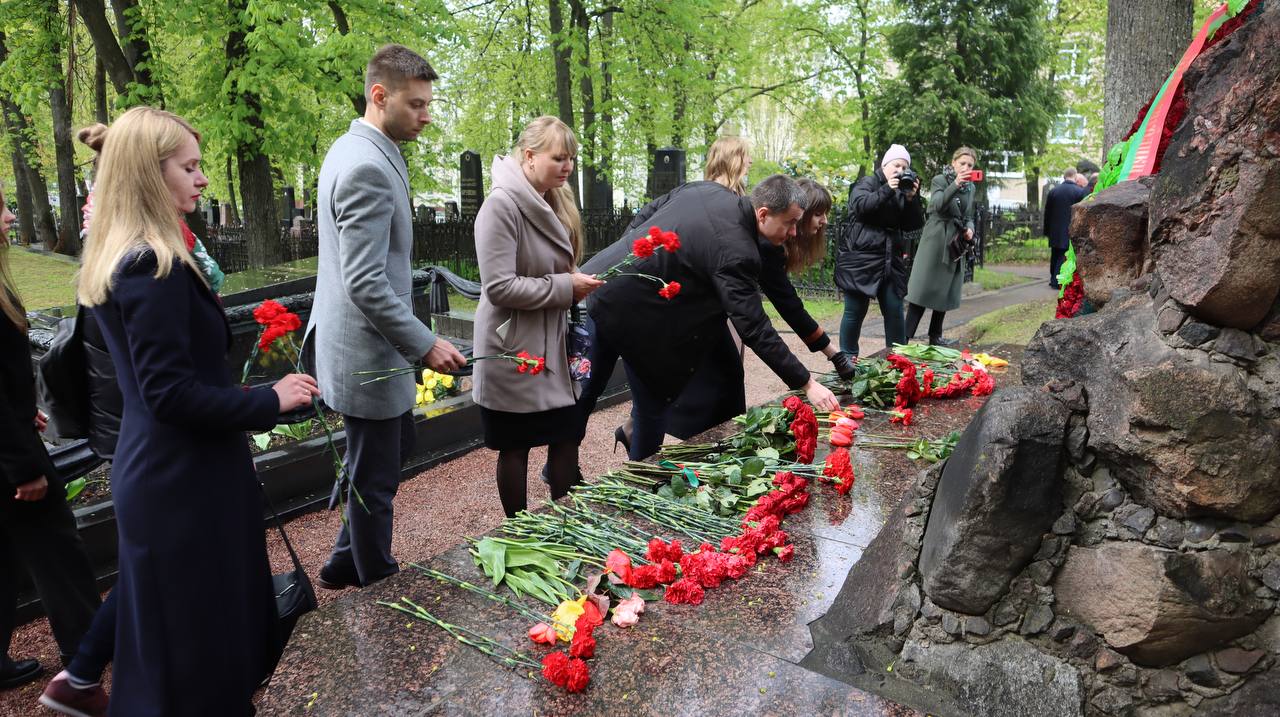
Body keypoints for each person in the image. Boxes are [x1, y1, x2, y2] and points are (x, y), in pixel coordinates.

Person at [76, 106, 320, 715]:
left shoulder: (129, 256)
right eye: (188, 167)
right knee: (194, 661)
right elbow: (168, 395)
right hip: (179, 482)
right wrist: (270, 398)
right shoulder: (149, 266)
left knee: (176, 652)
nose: (202, 179)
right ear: (146, 175)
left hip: (176, 474)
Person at [305, 44, 466, 590]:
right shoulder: (366, 167)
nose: (426, 115)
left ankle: (342, 562)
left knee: (391, 451)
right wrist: (425, 344)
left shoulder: (353, 148)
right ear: (380, 96)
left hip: (363, 347)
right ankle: (380, 587)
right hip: (365, 351)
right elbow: (366, 281)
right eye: (417, 104)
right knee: (375, 480)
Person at [578, 173, 840, 461]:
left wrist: (628, 253)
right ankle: (641, 482)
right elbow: (755, 328)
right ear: (763, 214)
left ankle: (562, 470)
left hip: (605, 285)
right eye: (790, 223)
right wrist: (807, 383)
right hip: (632, 310)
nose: (794, 232)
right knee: (649, 403)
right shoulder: (738, 251)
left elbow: (648, 212)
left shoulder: (707, 190)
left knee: (588, 395)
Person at [472, 116, 602, 518]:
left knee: (566, 436)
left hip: (552, 346)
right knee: (516, 447)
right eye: (559, 157)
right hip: (514, 349)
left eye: (572, 159)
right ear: (529, 156)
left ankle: (565, 527)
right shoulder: (501, 206)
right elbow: (499, 288)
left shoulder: (552, 200)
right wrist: (566, 288)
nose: (568, 167)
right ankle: (520, 533)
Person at [0, 185, 100, 694]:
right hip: (11, 461)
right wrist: (24, 466)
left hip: (11, 440)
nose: (11, 216)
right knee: (58, 550)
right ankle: (86, 656)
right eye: (1, 208)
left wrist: (24, 412)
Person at [836, 144, 924, 358]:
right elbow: (861, 207)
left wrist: (912, 199)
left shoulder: (903, 190)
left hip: (890, 260)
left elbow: (913, 225)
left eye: (904, 167)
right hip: (861, 259)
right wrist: (887, 189)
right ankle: (848, 358)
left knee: (894, 310)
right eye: (896, 165)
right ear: (885, 165)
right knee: (855, 311)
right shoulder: (867, 183)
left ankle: (896, 358)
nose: (900, 170)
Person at [904, 147, 979, 345]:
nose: (965, 167)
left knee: (945, 288)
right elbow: (936, 205)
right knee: (923, 287)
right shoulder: (940, 180)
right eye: (962, 163)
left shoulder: (971, 188)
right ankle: (904, 337)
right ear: (954, 163)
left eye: (970, 165)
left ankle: (935, 336)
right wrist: (955, 184)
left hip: (955, 242)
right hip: (935, 239)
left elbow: (969, 215)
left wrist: (970, 228)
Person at [1043, 168, 1087, 289]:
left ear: (1064, 176)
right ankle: (1057, 281)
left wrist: (1046, 230)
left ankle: (1053, 277)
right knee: (1063, 256)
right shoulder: (1079, 192)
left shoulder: (1053, 192)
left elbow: (1047, 213)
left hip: (1054, 230)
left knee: (1055, 254)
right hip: (1069, 229)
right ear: (1075, 176)